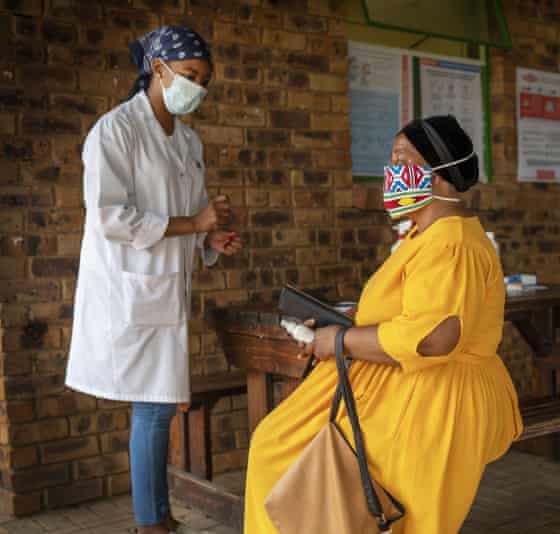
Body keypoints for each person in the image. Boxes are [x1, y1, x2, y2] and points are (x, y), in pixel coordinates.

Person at [244, 115, 523, 533]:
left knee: (389, 509)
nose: (391, 173)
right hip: (403, 386)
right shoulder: (424, 237)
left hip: (433, 400)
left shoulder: (451, 244)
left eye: (400, 160)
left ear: (441, 174)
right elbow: (409, 313)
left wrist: (340, 339)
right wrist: (341, 327)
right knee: (278, 450)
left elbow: (433, 338)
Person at [65, 26, 243, 534]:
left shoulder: (188, 140)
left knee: (160, 404)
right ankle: (152, 522)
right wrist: (197, 225)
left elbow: (189, 216)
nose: (198, 89)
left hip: (164, 291)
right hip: (131, 289)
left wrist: (209, 240)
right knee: (156, 405)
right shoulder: (114, 131)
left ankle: (156, 517)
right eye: (190, 76)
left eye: (205, 81)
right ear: (158, 69)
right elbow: (109, 217)